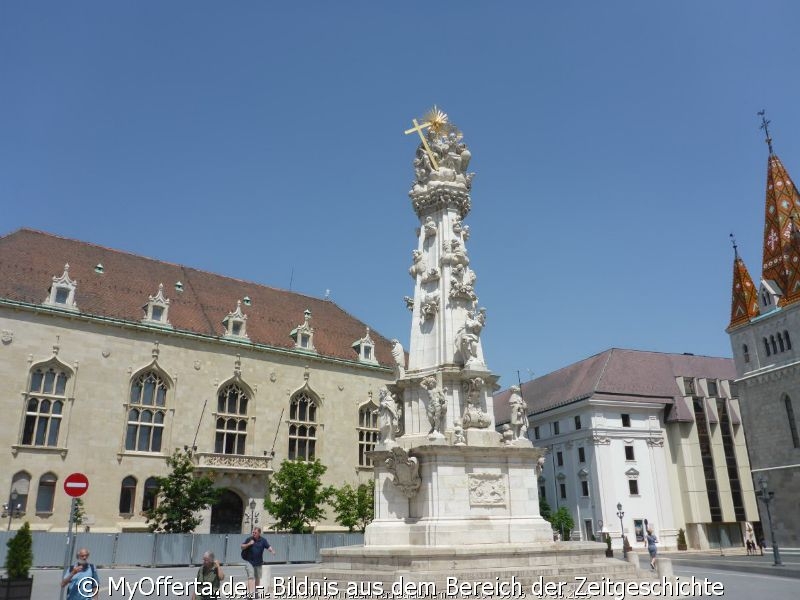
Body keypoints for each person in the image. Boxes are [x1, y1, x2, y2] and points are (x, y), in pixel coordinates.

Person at [241, 527, 276, 596]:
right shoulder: (249, 539)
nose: (253, 534)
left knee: (257, 578)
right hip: (250, 561)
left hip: (259, 562)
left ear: (259, 533)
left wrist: (272, 551)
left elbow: (268, 546)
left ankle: (256, 592)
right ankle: (250, 593)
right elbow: (242, 546)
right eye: (253, 532)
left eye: (255, 533)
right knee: (250, 577)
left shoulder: (263, 540)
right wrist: (249, 544)